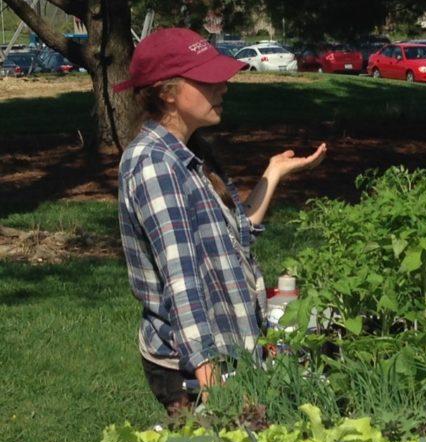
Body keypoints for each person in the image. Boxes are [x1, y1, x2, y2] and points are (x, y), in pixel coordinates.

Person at [115, 28, 326, 415]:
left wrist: (273, 173)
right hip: (194, 366)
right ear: (168, 93)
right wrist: (214, 386)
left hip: (225, 353)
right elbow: (182, 282)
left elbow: (236, 233)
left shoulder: (191, 149)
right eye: (209, 79)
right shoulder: (154, 165)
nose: (224, 86)